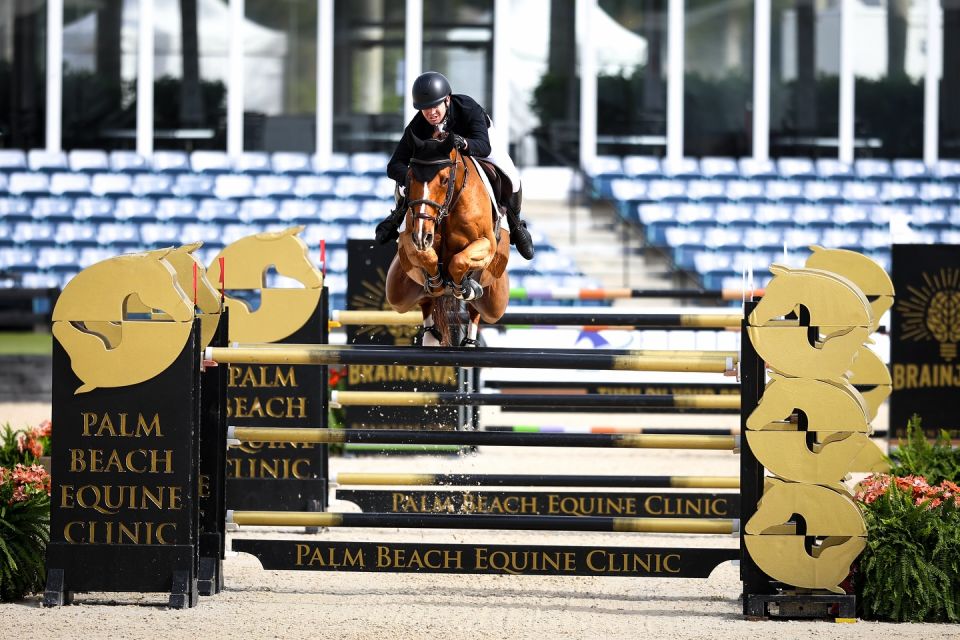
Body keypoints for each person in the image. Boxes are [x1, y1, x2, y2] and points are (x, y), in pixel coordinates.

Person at [375, 71, 534, 260]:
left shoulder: (467, 108)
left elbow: (484, 146)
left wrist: (463, 143)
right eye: (425, 109)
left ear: (447, 100)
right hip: (442, 162)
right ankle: (398, 217)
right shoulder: (417, 127)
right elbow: (394, 165)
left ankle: (516, 226)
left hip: (477, 143)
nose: (431, 113)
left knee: (512, 178)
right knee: (411, 185)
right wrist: (413, 178)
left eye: (435, 107)